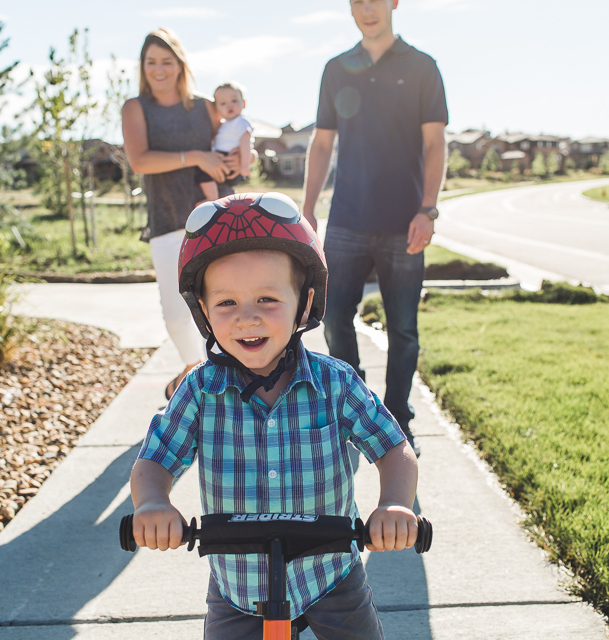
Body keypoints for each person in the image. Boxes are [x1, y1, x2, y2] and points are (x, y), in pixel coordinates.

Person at [130, 192, 419, 639]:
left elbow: (393, 449)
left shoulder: (334, 383)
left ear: (304, 305)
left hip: (331, 575)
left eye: (267, 299)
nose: (247, 319)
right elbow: (154, 461)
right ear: (203, 311)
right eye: (226, 303)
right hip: (238, 587)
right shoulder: (200, 391)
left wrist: (394, 504)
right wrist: (152, 503)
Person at [301, 0, 448, 456]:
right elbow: (322, 142)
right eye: (357, 1)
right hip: (346, 220)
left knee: (403, 329)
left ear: (394, 3)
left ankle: (398, 421)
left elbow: (435, 142)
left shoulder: (422, 66)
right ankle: (356, 410)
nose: (367, 8)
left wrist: (428, 209)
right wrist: (308, 207)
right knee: (333, 320)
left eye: (374, 0)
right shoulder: (336, 68)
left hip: (406, 223)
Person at [121, 28, 242, 400]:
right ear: (143, 67)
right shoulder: (136, 108)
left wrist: (237, 158)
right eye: (151, 62)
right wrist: (195, 156)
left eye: (167, 61)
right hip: (167, 218)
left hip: (216, 216)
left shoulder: (204, 106)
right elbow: (139, 160)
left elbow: (231, 142)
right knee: (175, 313)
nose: (159, 69)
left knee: (226, 302)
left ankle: (216, 383)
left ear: (180, 65)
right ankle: (192, 371)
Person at [198, 82, 253, 202]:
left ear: (243, 103)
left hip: (228, 158)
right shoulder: (225, 124)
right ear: (216, 109)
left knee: (203, 174)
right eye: (223, 103)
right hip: (222, 156)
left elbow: (245, 142)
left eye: (234, 101)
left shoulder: (241, 122)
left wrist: (244, 165)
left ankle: (212, 197)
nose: (229, 105)